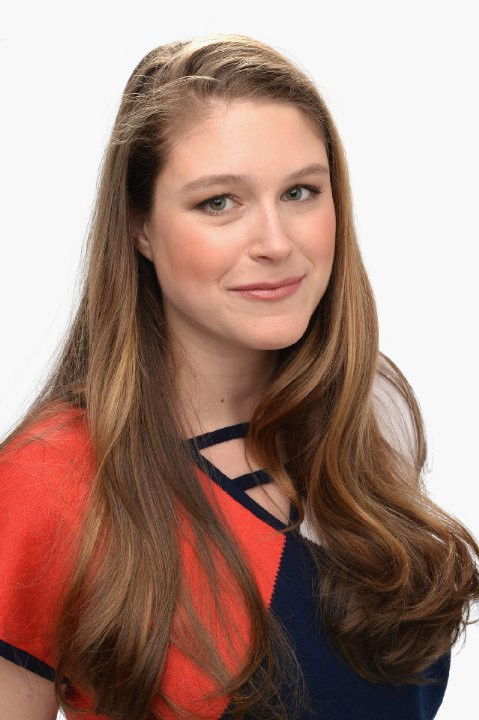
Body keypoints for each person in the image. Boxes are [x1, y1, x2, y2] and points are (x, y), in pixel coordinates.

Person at [0, 32, 478, 720]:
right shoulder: (49, 481)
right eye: (219, 202)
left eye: (300, 192)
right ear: (139, 227)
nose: (276, 243)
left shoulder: (368, 409)